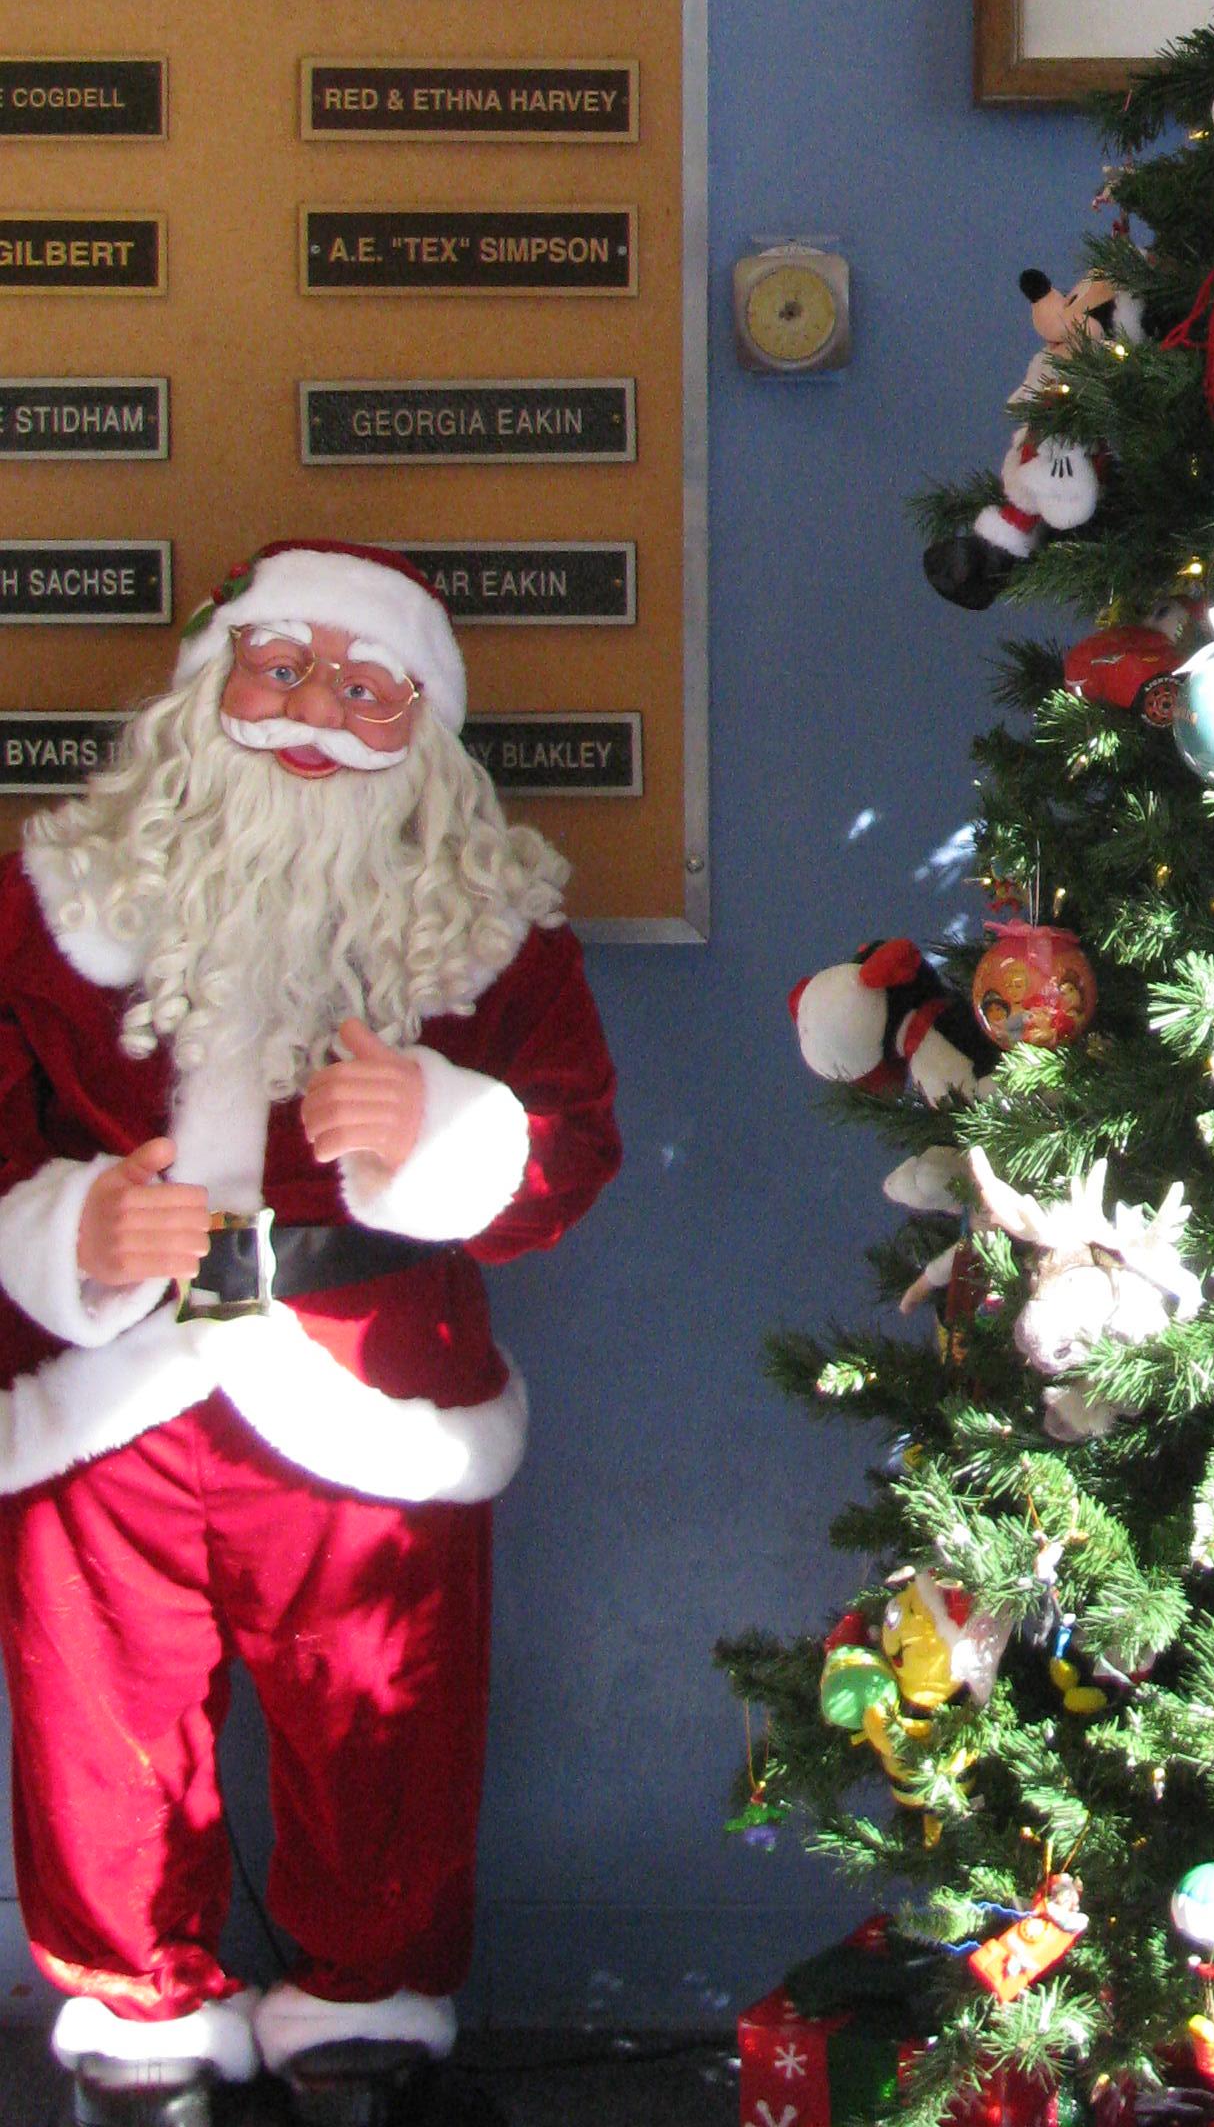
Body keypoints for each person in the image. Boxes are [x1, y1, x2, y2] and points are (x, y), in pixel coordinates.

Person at [0, 542, 620, 2122]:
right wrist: (65, 1226)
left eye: (363, 689)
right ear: (210, 686)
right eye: (281, 671)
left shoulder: (491, 936)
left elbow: (570, 1153)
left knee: (384, 1708)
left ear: (425, 728)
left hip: (365, 1385)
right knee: (96, 1714)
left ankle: (368, 2000)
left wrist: (447, 1132)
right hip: (106, 1389)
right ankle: (135, 2015)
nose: (312, 717)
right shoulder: (52, 906)